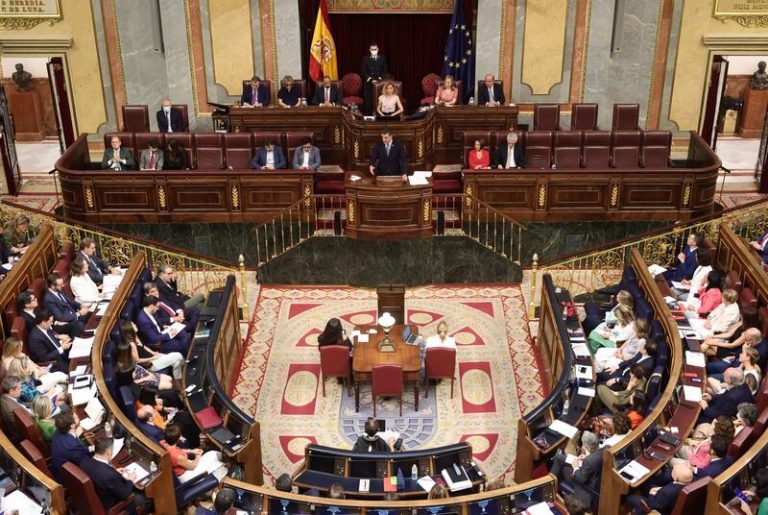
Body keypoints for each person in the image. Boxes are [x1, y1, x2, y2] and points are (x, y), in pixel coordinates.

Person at [79, 437, 143, 512]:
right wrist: (130, 479)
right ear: (108, 451)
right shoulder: (109, 476)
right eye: (112, 450)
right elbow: (125, 494)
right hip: (115, 504)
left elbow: (100, 474)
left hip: (99, 495)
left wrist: (114, 471)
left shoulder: (84, 462)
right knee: (145, 497)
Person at [120, 320, 184, 384]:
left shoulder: (135, 336)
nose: (135, 325)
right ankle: (184, 371)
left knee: (177, 363)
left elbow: (144, 346)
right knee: (178, 355)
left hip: (153, 357)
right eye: (133, 325)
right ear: (129, 329)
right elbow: (137, 361)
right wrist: (152, 358)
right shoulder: (131, 344)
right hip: (150, 364)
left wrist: (153, 353)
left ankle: (179, 384)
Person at [161, 424, 227, 483]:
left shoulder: (163, 443)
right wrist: (198, 456)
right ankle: (225, 465)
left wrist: (191, 451)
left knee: (212, 456)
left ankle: (223, 462)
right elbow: (192, 467)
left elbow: (177, 450)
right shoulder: (178, 457)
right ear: (178, 438)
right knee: (215, 459)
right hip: (187, 476)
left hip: (185, 466)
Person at [2, 336, 68, 391]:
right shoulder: (9, 364)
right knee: (59, 376)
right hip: (34, 385)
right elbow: (23, 379)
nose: (21, 350)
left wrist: (39, 368)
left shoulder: (19, 354)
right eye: (19, 348)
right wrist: (37, 374)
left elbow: (32, 364)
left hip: (39, 375)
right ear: (13, 349)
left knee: (62, 384)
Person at [625, 462, 693, 515]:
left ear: (676, 478)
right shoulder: (691, 482)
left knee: (631, 497)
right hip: (670, 502)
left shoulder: (666, 492)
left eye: (673, 470)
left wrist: (652, 494)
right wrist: (661, 490)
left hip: (655, 509)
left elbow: (653, 506)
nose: (671, 470)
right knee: (646, 486)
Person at [550, 431, 603, 497]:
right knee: (560, 458)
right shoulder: (601, 451)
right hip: (590, 473)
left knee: (563, 467)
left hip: (585, 486)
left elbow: (581, 478)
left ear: (587, 447)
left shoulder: (589, 460)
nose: (582, 446)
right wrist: (586, 457)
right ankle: (551, 483)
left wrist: (575, 467)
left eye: (583, 444)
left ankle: (549, 487)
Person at [44, 273, 91, 338]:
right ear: (52, 286)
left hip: (72, 315)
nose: (63, 285)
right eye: (60, 285)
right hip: (63, 323)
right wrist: (79, 313)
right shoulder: (49, 299)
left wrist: (81, 306)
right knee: (79, 325)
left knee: (90, 314)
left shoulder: (59, 290)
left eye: (62, 283)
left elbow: (70, 301)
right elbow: (60, 317)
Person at [51, 410, 92, 481]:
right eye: (76, 418)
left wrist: (91, 448)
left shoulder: (59, 431)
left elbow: (78, 450)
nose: (78, 417)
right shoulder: (72, 445)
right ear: (72, 425)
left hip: (61, 467)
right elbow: (84, 462)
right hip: (69, 478)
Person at [1, 376, 29, 443]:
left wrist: (36, 403)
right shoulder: (13, 409)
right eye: (19, 388)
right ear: (11, 391)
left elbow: (22, 404)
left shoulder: (4, 397)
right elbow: (28, 426)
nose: (21, 390)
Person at [362, 42, 388, 114]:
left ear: (378, 49)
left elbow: (384, 71)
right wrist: (371, 80)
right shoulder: (365, 58)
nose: (374, 51)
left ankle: (380, 115)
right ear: (369, 50)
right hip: (369, 83)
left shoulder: (382, 58)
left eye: (375, 49)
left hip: (380, 83)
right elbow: (364, 71)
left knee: (379, 99)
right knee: (369, 100)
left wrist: (379, 80)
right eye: (372, 49)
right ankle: (370, 117)